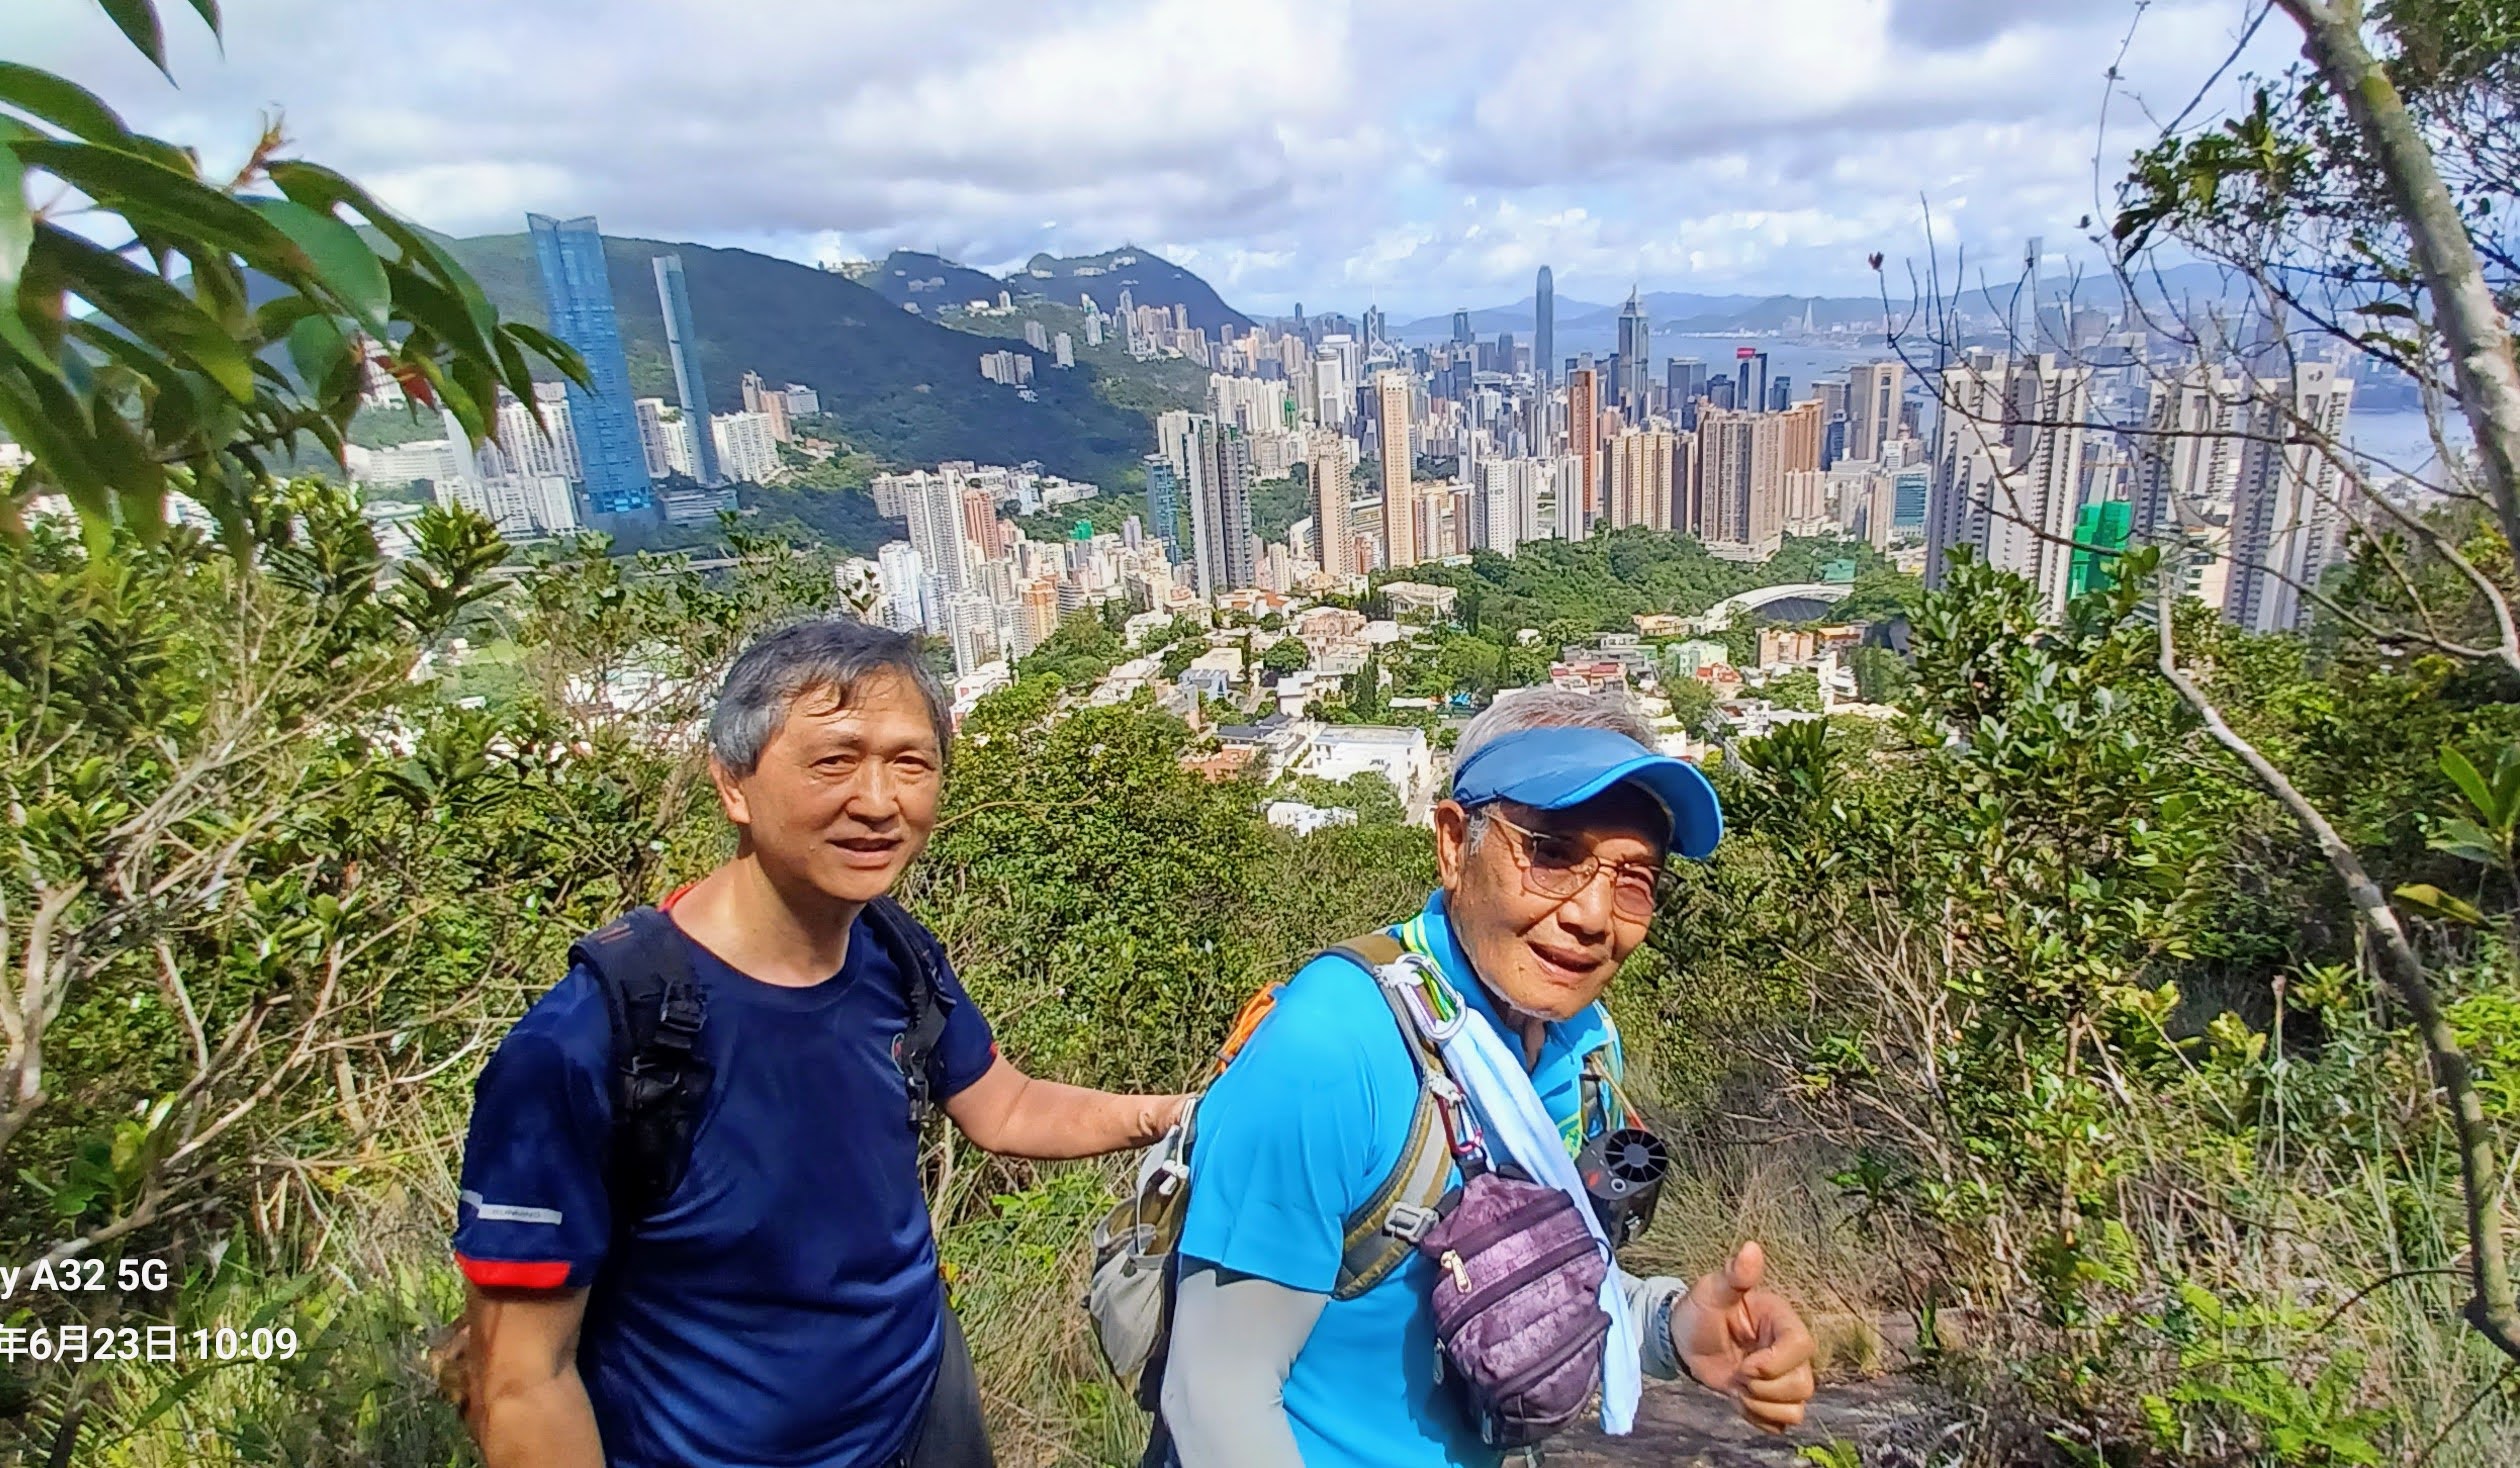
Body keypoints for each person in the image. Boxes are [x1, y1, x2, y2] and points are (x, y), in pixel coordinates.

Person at [450, 620, 1190, 1468]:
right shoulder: (588, 1041)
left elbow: (1007, 1106)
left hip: (924, 1413)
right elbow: (522, 1382)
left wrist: (1172, 1116)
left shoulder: (891, 951)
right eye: (834, 761)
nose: (877, 801)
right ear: (732, 783)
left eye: (910, 763)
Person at [1160, 688, 1818, 1466]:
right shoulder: (1335, 1048)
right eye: (1552, 853)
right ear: (1452, 845)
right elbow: (1216, 1398)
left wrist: (1670, 1328)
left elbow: (1527, 1283)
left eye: (1634, 879)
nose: (1592, 915)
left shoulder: (1581, 1046)